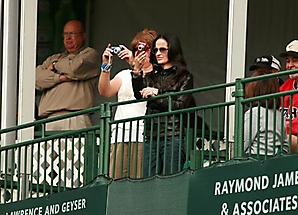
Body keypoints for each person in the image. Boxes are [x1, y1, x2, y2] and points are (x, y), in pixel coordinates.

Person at [98, 28, 158, 178]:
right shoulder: (125, 75)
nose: (140, 53)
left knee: (139, 180)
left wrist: (134, 63)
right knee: (116, 179)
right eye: (136, 49)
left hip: (143, 135)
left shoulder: (159, 75)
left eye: (144, 48)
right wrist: (106, 66)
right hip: (119, 135)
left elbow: (146, 88)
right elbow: (105, 91)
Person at [132, 32, 194, 176]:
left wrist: (157, 94)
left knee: (171, 180)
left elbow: (181, 105)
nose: (158, 53)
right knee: (148, 181)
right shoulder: (152, 74)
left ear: (172, 50)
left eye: (162, 49)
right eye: (155, 50)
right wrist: (136, 72)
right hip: (150, 135)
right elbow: (139, 95)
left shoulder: (185, 76)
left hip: (173, 135)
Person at [35, 20, 100, 131]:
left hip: (75, 116)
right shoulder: (53, 58)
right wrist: (59, 78)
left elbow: (74, 68)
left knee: (75, 149)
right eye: (65, 34)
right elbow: (36, 80)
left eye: (72, 33)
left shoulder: (89, 54)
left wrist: (55, 66)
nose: (68, 37)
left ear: (83, 35)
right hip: (50, 118)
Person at [244, 68, 289, 156]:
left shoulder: (254, 113)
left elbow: (242, 143)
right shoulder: (279, 115)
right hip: (274, 163)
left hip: (252, 161)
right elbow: (285, 146)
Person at [279, 40, 298, 153]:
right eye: (288, 61)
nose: (290, 65)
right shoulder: (286, 86)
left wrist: (280, 130)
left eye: (295, 61)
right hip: (286, 136)